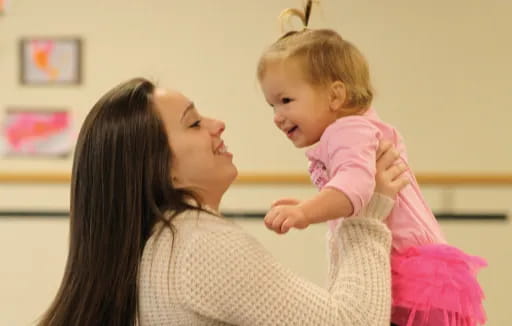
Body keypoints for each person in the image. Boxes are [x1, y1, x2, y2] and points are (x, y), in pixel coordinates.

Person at [38, 77, 407, 325]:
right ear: (163, 169)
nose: (218, 124)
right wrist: (366, 215)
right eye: (194, 123)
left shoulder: (161, 242)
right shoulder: (198, 245)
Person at [257, 1, 487, 325]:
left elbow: (356, 188)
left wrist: (305, 212)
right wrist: (320, 205)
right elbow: (356, 195)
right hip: (420, 274)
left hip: (407, 278)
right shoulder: (360, 128)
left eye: (286, 101)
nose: (277, 118)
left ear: (335, 96)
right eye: (271, 105)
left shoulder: (347, 131)